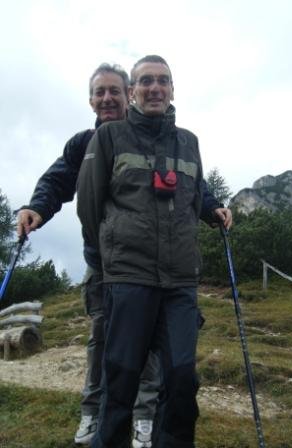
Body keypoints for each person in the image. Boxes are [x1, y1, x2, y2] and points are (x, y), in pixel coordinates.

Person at [77, 55, 232, 448]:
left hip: (180, 281)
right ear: (133, 91)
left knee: (182, 380)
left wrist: (213, 210)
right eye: (146, 81)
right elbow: (89, 206)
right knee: (121, 380)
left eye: (163, 80)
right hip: (128, 279)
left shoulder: (190, 142)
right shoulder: (108, 138)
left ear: (173, 90)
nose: (155, 87)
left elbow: (194, 195)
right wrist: (111, 258)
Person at [16, 63, 161, 448]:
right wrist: (37, 208)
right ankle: (92, 412)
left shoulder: (149, 137)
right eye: (100, 92)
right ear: (91, 100)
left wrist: (211, 206)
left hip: (144, 264)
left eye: (115, 90)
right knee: (100, 338)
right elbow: (57, 180)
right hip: (101, 263)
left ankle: (144, 419)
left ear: (130, 93)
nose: (108, 98)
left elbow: (183, 182)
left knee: (146, 342)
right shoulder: (82, 144)